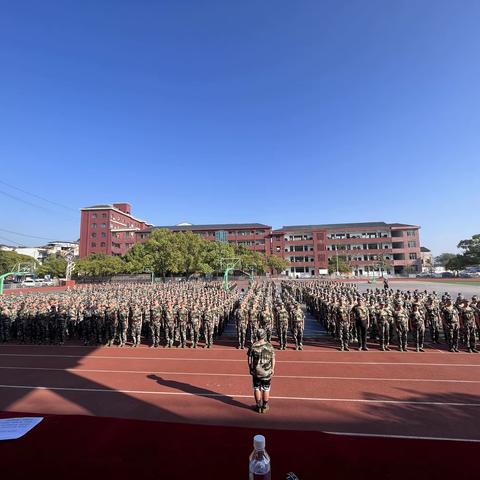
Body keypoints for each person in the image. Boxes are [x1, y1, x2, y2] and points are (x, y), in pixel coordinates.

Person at [247, 328, 275, 413]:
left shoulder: (253, 345)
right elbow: (273, 358)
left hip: (256, 371)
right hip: (267, 371)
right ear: (264, 335)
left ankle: (258, 405)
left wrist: (250, 368)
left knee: (256, 388)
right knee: (266, 388)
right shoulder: (269, 346)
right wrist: (273, 368)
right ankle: (265, 406)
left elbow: (249, 359)